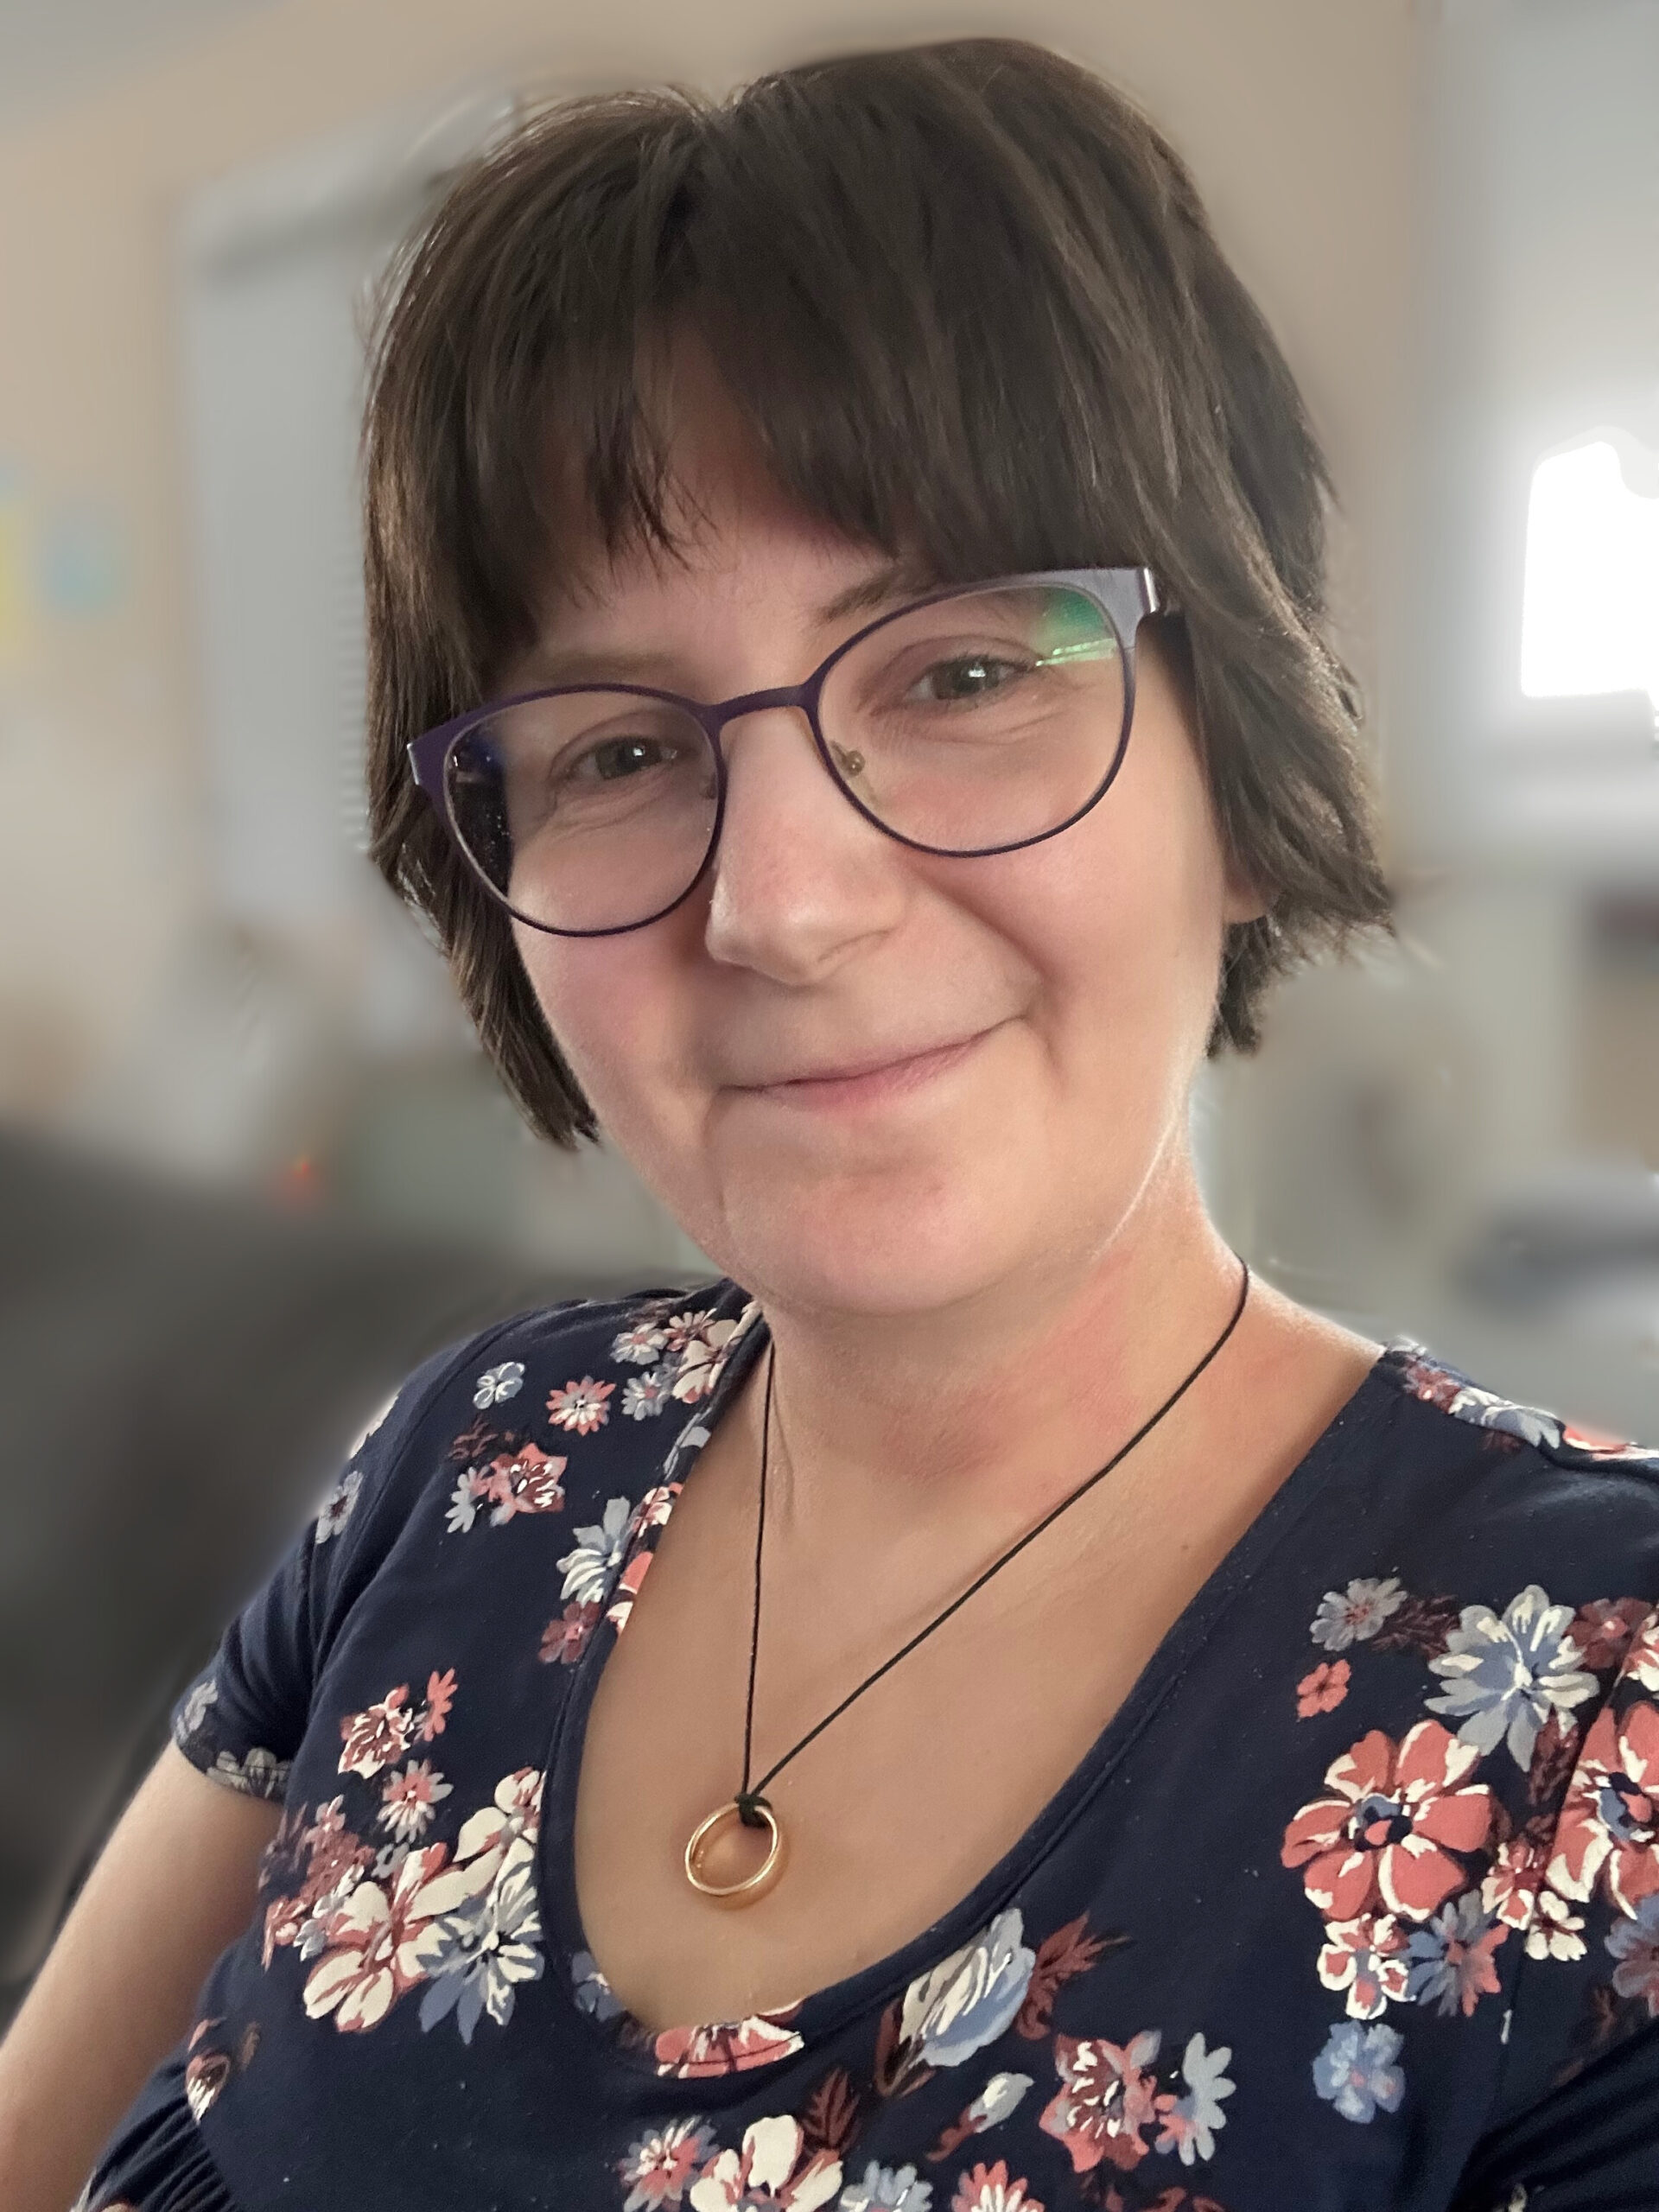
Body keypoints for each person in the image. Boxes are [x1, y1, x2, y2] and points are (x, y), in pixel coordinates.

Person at [3, 35, 1656, 2211]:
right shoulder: (468, 1456)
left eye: (961, 673)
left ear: (1244, 771)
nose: (779, 902)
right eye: (613, 750)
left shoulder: (1594, 1728)